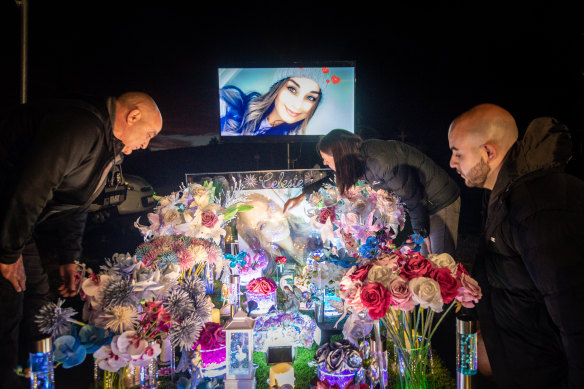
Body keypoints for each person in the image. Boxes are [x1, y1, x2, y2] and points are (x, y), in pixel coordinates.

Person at [0, 92, 162, 388]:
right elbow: (32, 188)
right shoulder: (83, 127)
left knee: (37, 296)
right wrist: (9, 253)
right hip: (8, 214)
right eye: (148, 134)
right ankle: (15, 378)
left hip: (18, 221)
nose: (146, 144)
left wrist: (69, 256)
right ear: (133, 116)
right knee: (12, 298)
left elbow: (78, 202)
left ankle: (37, 376)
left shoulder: (107, 145)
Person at [448, 103, 584, 388]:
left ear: (488, 152)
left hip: (543, 371)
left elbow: (572, 308)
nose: (452, 162)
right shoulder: (504, 194)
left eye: (458, 153)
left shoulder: (538, 204)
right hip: (517, 357)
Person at [284, 129, 461, 257]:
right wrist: (303, 195)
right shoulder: (358, 159)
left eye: (327, 159)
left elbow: (412, 196)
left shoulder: (380, 161)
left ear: (340, 157)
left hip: (438, 200)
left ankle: (447, 307)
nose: (324, 162)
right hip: (420, 205)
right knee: (426, 259)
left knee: (440, 261)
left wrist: (422, 233)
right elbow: (334, 178)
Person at [220, 68, 327, 136]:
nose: (297, 105)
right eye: (292, 89)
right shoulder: (230, 105)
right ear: (277, 88)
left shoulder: (292, 142)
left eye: (311, 98)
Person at [237, 192, 312, 276]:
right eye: (262, 226)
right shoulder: (274, 274)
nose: (274, 223)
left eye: (271, 211)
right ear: (255, 237)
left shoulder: (312, 231)